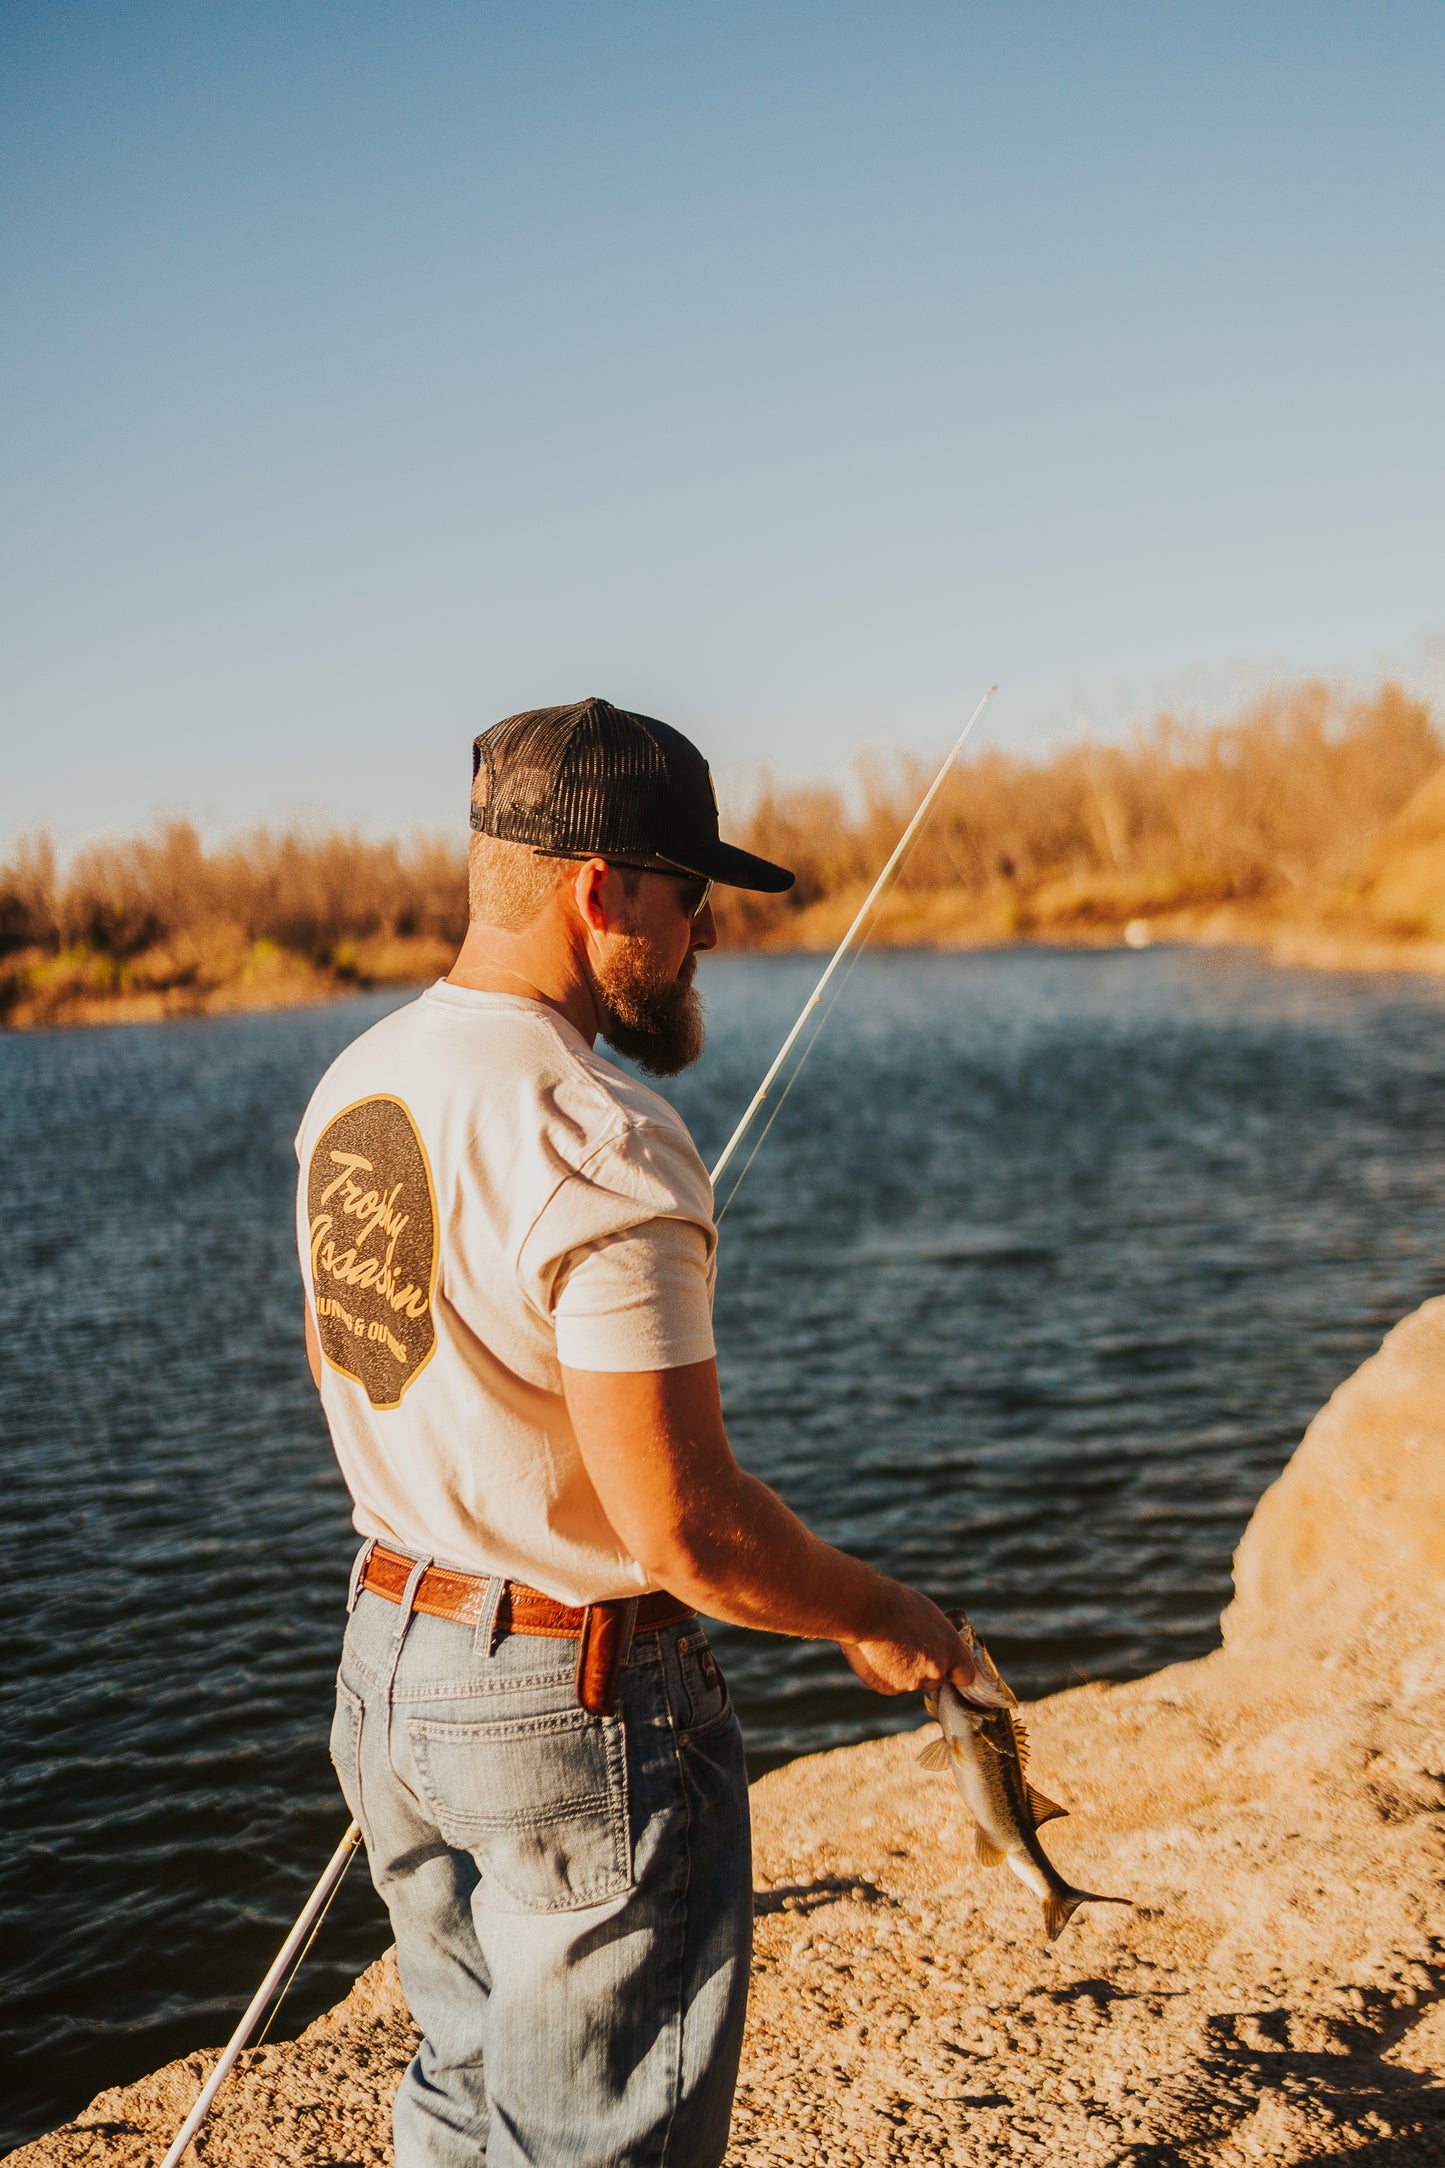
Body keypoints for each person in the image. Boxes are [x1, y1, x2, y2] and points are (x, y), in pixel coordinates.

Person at [295, 696, 1010, 2168]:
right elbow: (685, 1531)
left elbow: (381, 1371)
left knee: (459, 2081)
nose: (703, 936)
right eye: (690, 897)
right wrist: (888, 1616)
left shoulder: (360, 1078)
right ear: (600, 888)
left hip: (387, 1664)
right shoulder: (595, 1129)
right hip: (568, 1702)